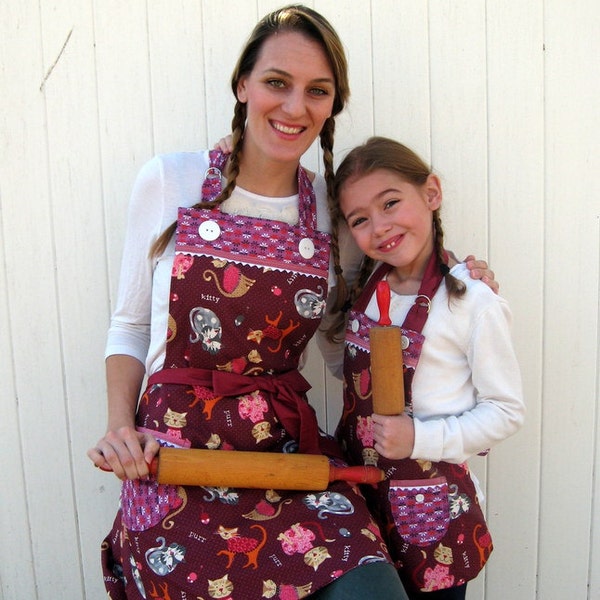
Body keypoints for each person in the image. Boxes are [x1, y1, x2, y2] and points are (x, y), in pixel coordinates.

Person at [88, 5, 497, 598]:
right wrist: (120, 429)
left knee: (373, 591)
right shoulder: (170, 181)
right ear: (243, 85)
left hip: (286, 456)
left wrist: (461, 282)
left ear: (332, 105)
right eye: (277, 82)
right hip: (176, 459)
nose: (294, 106)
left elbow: (374, 313)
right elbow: (128, 326)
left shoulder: (334, 215)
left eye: (318, 91)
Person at [324, 137, 525, 599]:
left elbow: (505, 411)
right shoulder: (365, 292)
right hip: (361, 496)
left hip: (431, 509)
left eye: (390, 202)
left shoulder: (473, 302)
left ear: (431, 193)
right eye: (360, 219)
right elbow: (347, 372)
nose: (380, 226)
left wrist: (420, 439)